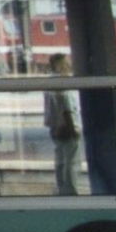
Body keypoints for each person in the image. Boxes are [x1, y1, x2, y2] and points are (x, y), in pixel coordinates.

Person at [43, 53, 79, 195]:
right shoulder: (62, 83)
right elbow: (66, 108)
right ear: (58, 65)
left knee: (60, 160)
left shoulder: (49, 82)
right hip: (65, 127)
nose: (68, 65)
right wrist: (72, 128)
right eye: (65, 63)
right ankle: (70, 192)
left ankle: (61, 189)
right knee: (71, 163)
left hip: (54, 127)